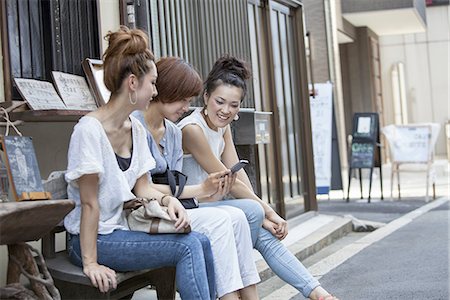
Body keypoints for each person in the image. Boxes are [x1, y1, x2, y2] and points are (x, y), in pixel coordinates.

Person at [64, 26, 218, 299]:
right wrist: (90, 262)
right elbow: (89, 203)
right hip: (92, 241)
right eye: (153, 83)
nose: (156, 91)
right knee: (188, 247)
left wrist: (169, 201)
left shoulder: (135, 130)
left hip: (121, 230)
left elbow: (143, 188)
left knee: (201, 241)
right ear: (133, 83)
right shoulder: (88, 131)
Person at [177, 55, 338, 300]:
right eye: (220, 102)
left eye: (233, 105)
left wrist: (261, 210)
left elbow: (237, 172)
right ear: (206, 97)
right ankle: (313, 292)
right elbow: (221, 174)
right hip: (195, 206)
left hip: (216, 206)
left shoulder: (222, 127)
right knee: (255, 219)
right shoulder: (192, 129)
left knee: (263, 231)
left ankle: (316, 292)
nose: (226, 111)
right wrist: (268, 212)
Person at [133, 57, 260, 300]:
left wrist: (202, 190)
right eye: (183, 99)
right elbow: (141, 188)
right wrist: (200, 190)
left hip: (173, 207)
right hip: (147, 211)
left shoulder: (171, 131)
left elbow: (175, 183)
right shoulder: (136, 126)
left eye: (189, 99)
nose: (185, 106)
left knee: (238, 217)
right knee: (224, 220)